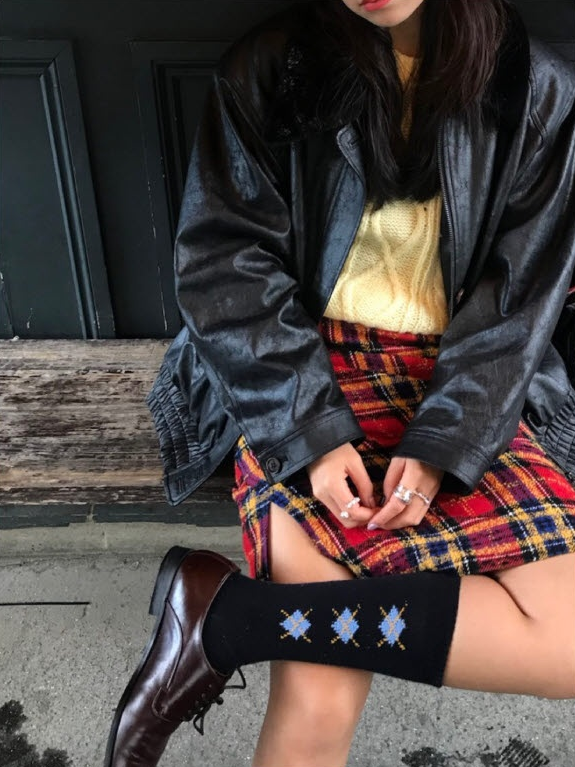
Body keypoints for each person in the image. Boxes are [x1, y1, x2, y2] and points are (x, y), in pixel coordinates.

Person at [105, 0, 575, 765]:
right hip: (297, 373)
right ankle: (227, 618)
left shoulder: (536, 90)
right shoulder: (270, 70)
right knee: (317, 701)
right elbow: (225, 268)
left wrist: (442, 443)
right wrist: (312, 438)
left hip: (462, 383)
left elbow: (517, 301)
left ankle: (231, 620)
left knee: (567, 642)